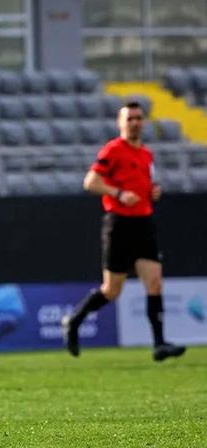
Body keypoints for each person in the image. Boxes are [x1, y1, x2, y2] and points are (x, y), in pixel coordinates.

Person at [62, 101, 186, 362]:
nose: (135, 123)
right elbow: (91, 182)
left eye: (139, 118)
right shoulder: (113, 150)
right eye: (129, 118)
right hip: (119, 224)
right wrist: (117, 193)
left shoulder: (146, 155)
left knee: (154, 282)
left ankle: (160, 343)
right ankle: (75, 320)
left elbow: (148, 184)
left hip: (144, 223)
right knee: (112, 290)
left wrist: (153, 192)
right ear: (120, 123)